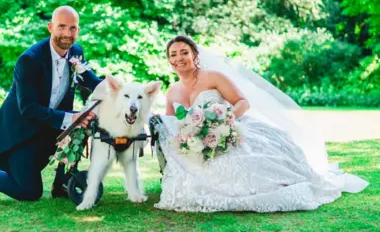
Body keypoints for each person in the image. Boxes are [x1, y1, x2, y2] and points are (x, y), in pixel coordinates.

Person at [153, 35, 369, 212]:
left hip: (230, 127)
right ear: (169, 60)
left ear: (195, 55)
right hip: (199, 142)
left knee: (250, 163)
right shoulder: (172, 90)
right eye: (173, 54)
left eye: (184, 52)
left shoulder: (213, 77)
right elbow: (172, 122)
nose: (179, 58)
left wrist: (224, 121)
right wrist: (188, 137)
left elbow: (241, 102)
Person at [0, 6, 102, 201]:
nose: (67, 34)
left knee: (81, 123)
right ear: (50, 27)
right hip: (22, 135)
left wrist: (125, 93)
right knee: (29, 191)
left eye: (73, 28)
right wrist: (72, 117)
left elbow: (92, 81)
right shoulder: (29, 60)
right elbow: (28, 109)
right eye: (62, 27)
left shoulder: (76, 51)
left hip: (49, 128)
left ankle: (62, 184)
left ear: (78, 30)